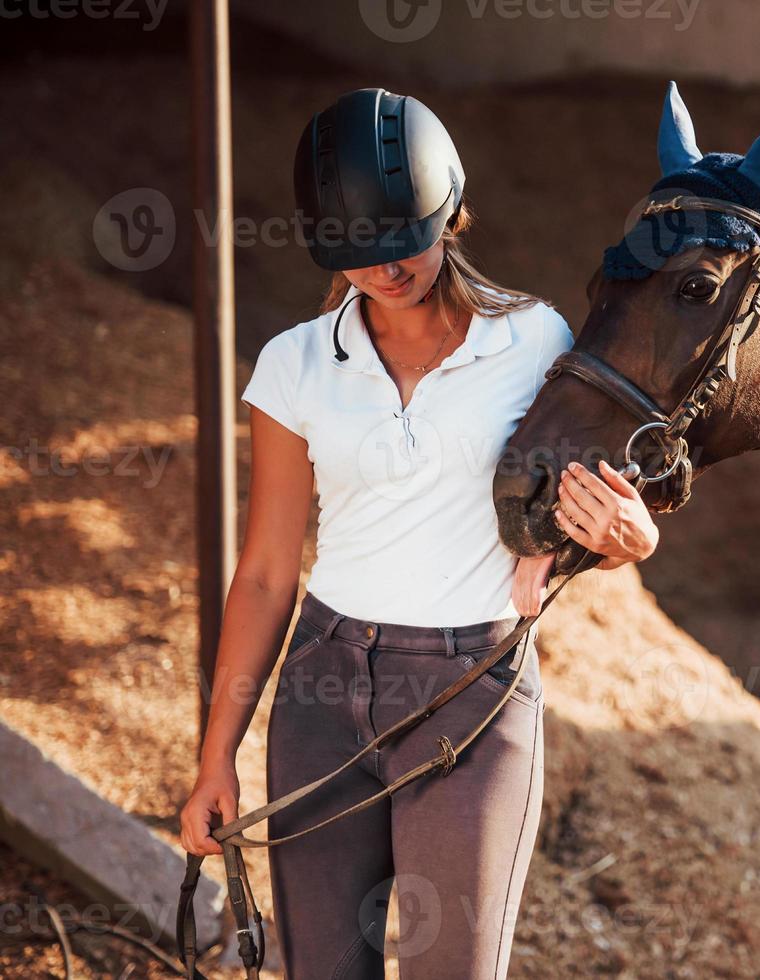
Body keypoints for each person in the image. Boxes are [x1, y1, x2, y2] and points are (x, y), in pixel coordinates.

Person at [178, 87, 659, 979]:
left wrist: (624, 537)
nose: (388, 270)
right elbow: (265, 573)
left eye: (404, 241)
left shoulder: (535, 340)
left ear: (451, 210)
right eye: (361, 254)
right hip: (321, 689)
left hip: (471, 693)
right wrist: (217, 761)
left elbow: (594, 499)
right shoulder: (294, 364)